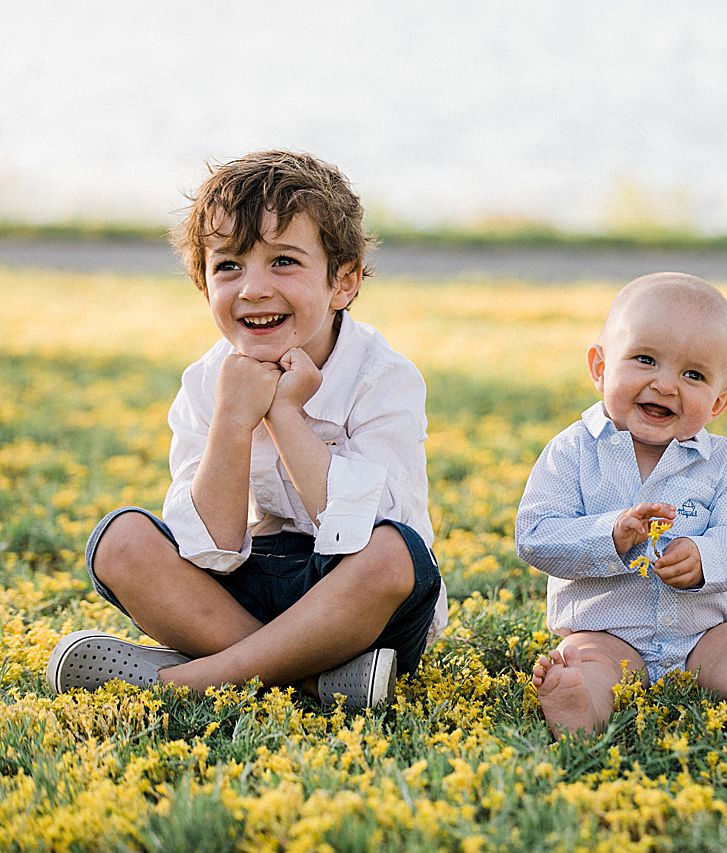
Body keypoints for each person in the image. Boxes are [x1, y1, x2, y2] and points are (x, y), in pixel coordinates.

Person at [46, 150, 445, 709]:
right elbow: (207, 547)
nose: (253, 288)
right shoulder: (205, 381)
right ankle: (307, 680)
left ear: (344, 281)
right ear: (204, 286)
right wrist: (234, 420)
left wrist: (284, 414)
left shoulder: (385, 377)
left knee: (390, 555)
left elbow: (363, 532)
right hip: (246, 588)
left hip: (352, 604)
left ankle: (186, 679)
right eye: (229, 266)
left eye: (283, 261)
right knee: (121, 542)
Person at [515, 272, 727, 737]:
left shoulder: (723, 464)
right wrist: (610, 535)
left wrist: (706, 557)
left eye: (693, 375)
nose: (665, 385)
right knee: (587, 663)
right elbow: (536, 536)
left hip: (704, 632)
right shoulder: (572, 452)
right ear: (600, 367)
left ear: (719, 401)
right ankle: (580, 705)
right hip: (606, 632)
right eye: (645, 360)